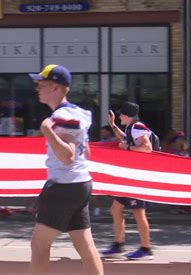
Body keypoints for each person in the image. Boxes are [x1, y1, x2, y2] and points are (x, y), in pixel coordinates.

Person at [28, 64, 103, 274]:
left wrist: (46, 131)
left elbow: (67, 156)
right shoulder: (77, 113)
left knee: (39, 244)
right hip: (80, 183)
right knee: (85, 245)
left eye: (41, 84)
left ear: (56, 88)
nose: (37, 88)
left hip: (64, 186)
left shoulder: (63, 117)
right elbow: (85, 152)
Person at [100, 102, 155, 260]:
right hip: (130, 177)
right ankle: (118, 245)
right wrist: (113, 125)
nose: (119, 116)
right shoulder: (132, 128)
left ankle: (146, 249)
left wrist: (128, 149)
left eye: (121, 114)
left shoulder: (137, 127)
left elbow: (147, 148)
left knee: (138, 213)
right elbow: (126, 139)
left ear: (128, 115)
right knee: (115, 208)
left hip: (138, 177)